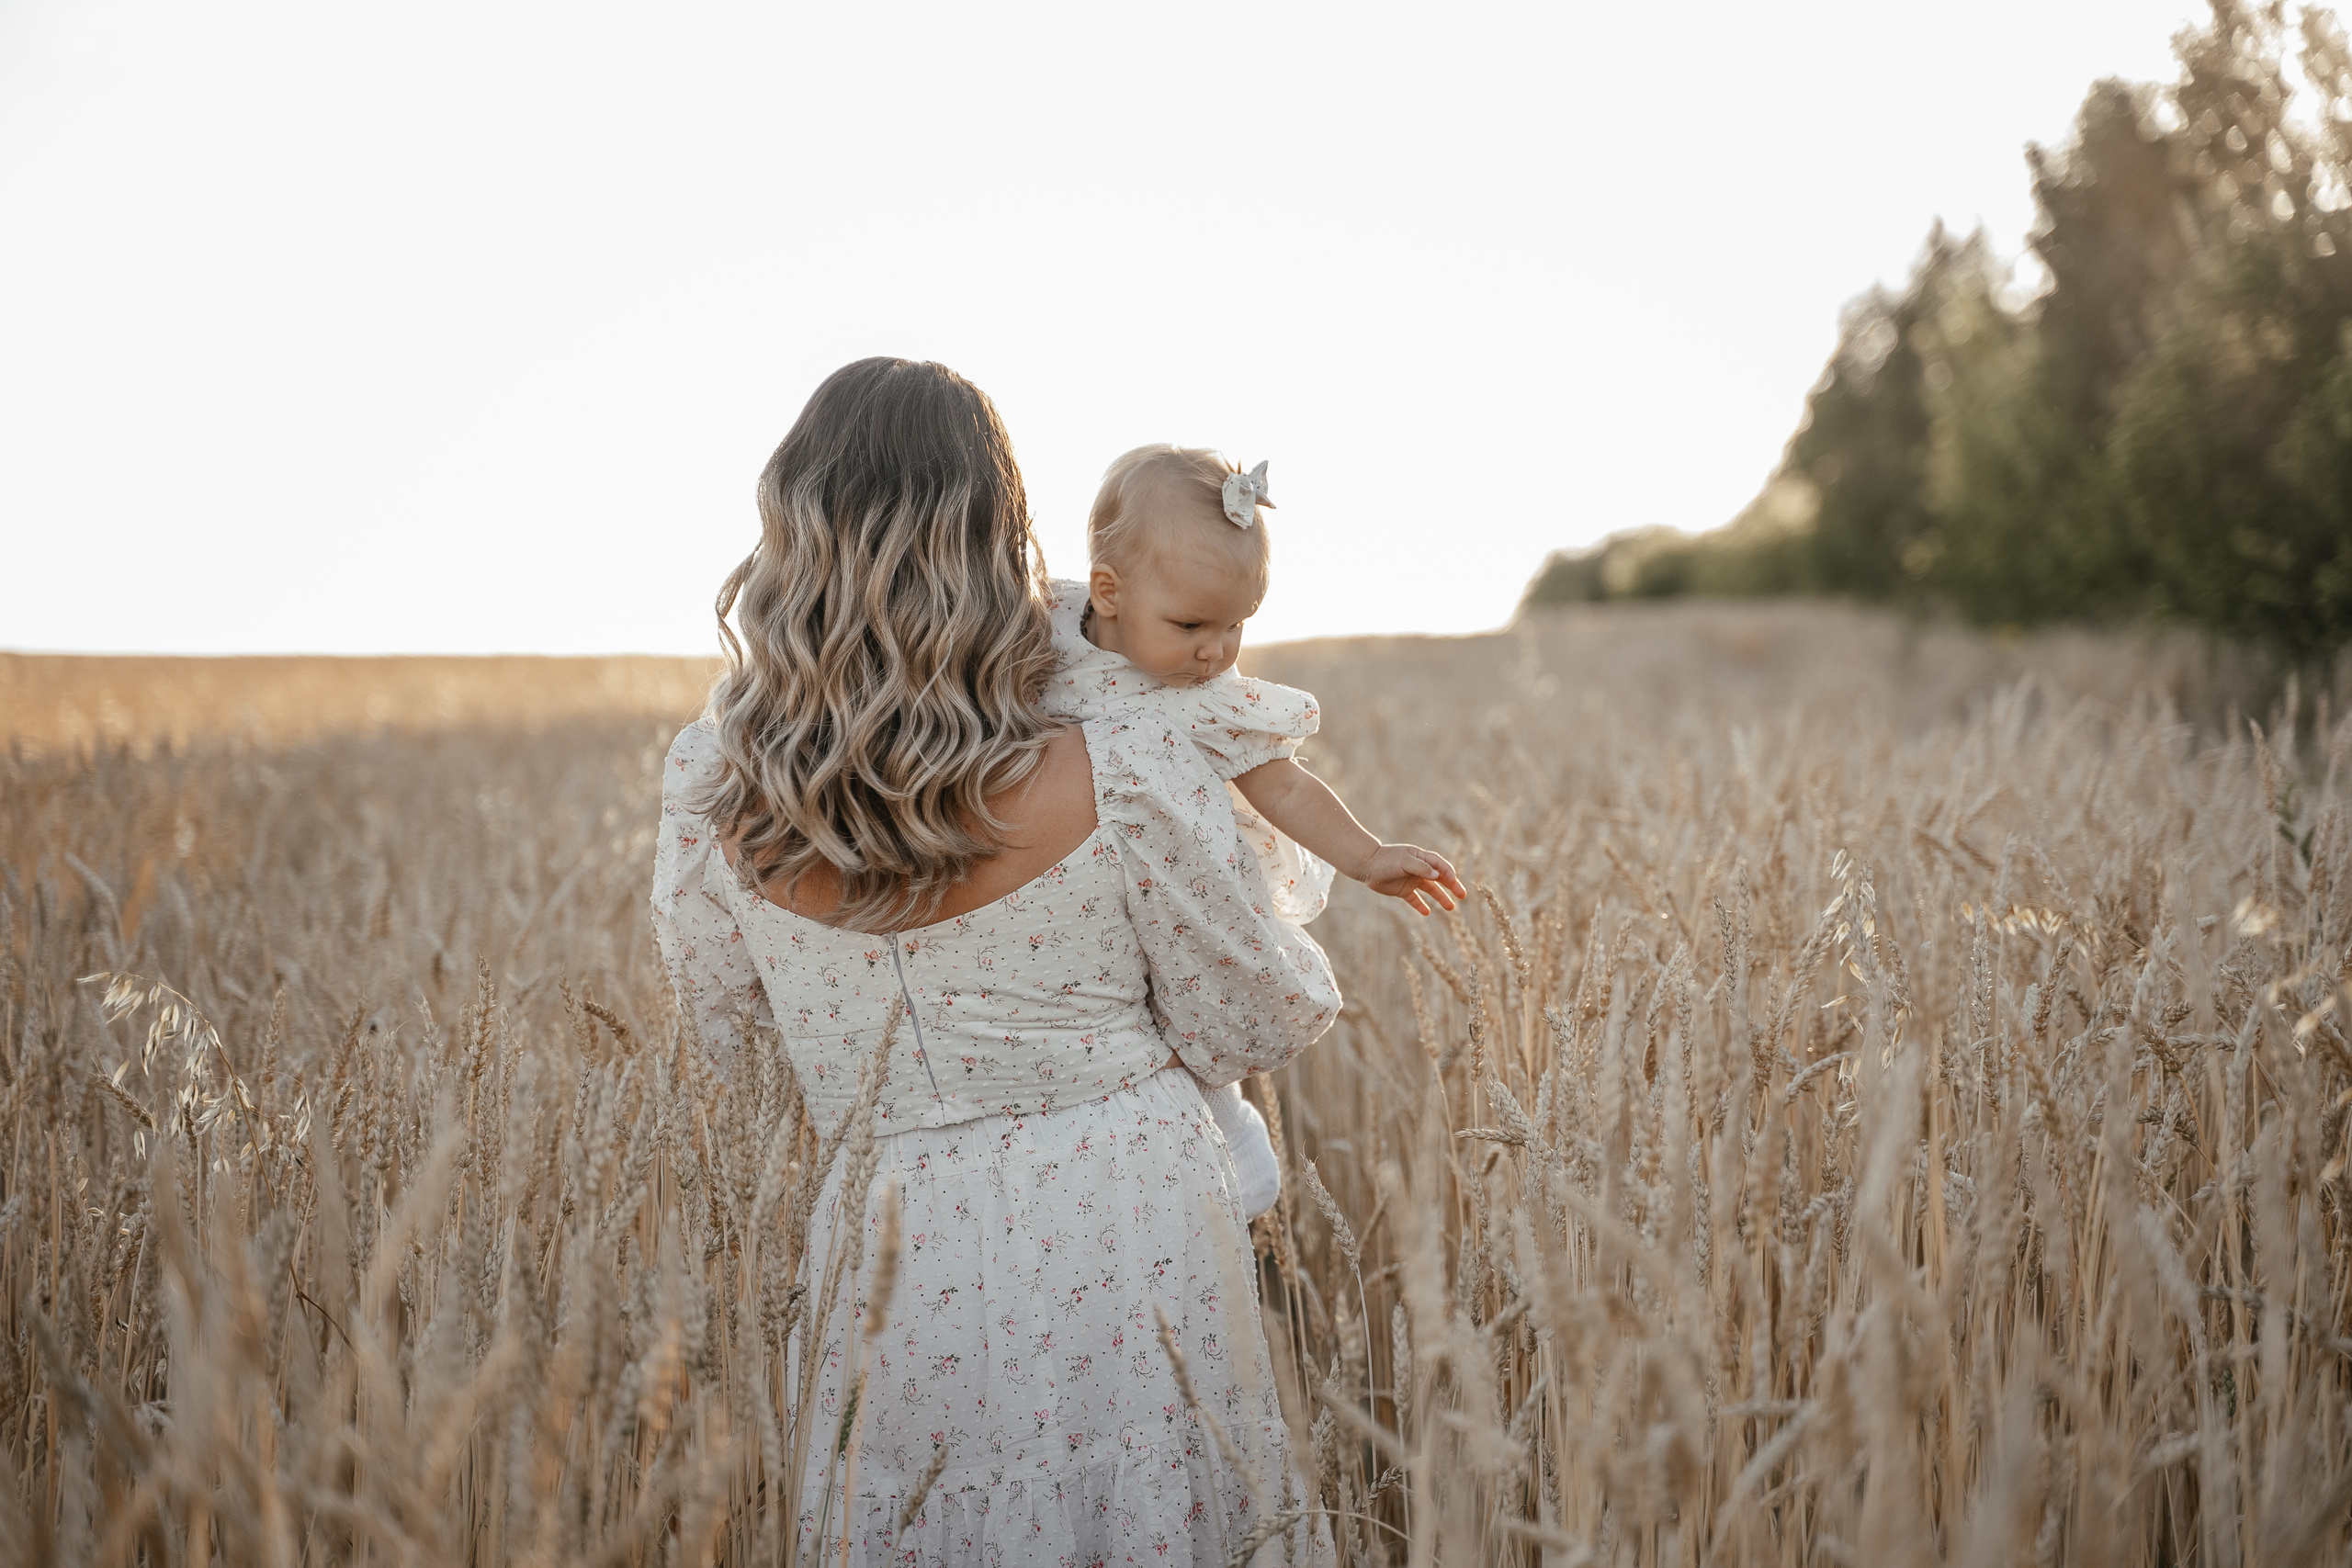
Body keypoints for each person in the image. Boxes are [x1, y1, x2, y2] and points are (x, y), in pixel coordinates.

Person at [650, 358, 1340, 1565]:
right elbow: (1256, 1014)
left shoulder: (711, 788)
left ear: (791, 534)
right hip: (1131, 1224)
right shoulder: (1120, 755)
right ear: (996, 535)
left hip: (894, 1241)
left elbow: (727, 1028)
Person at [1039, 444, 1467, 1217]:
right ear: (1105, 592)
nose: (1217, 650)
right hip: (1076, 886)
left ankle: (1227, 1136)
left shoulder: (1206, 696)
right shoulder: (1045, 634)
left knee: (1195, 992)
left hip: (1184, 884)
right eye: (1193, 624)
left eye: (1237, 625)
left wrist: (1367, 854)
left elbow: (1283, 782)